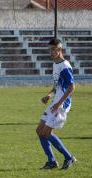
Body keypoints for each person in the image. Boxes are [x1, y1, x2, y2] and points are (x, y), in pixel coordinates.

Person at [36, 38, 76, 170]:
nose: (51, 52)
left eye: (54, 49)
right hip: (55, 102)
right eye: (50, 49)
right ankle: (52, 161)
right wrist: (49, 95)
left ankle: (69, 157)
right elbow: (57, 86)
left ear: (60, 50)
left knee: (46, 133)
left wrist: (59, 103)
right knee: (40, 131)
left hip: (61, 105)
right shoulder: (55, 64)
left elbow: (72, 87)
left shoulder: (64, 66)